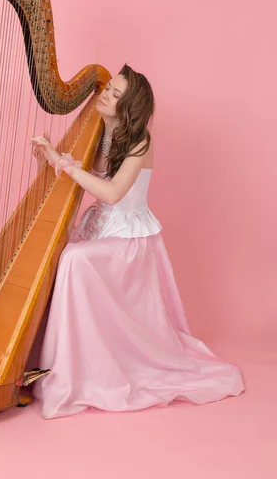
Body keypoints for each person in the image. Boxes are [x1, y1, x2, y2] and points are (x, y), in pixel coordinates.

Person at [31, 64, 244, 420]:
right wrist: (49, 158)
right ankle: (65, 361)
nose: (105, 95)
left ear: (129, 107)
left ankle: (82, 369)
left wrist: (63, 164)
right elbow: (73, 183)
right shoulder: (95, 132)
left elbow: (112, 193)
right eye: (108, 88)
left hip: (129, 243)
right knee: (56, 255)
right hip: (100, 231)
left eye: (115, 94)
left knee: (74, 261)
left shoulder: (140, 141)